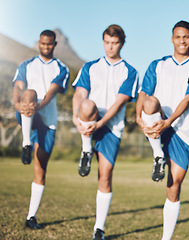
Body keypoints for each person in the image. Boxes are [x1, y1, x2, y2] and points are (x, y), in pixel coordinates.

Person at [72, 24, 138, 240]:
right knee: (89, 104)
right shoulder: (90, 66)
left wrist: (100, 124)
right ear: (103, 42)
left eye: (115, 43)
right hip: (88, 122)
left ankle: (98, 228)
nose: (110, 47)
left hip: (110, 127)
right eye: (107, 42)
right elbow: (79, 95)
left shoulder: (130, 71)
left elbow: (119, 103)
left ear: (122, 43)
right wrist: (76, 118)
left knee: (105, 175)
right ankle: (85, 151)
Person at [136, 20, 189, 240]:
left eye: (186, 36)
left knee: (174, 184)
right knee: (150, 102)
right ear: (172, 39)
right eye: (178, 36)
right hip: (157, 122)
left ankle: (166, 238)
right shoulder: (158, 64)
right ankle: (158, 155)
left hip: (182, 128)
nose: (182, 41)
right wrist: (137, 118)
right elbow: (143, 94)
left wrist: (169, 121)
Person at [12, 30, 70, 229]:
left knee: (40, 169)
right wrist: (17, 105)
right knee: (29, 93)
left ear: (55, 45)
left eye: (50, 44)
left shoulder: (61, 68)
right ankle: (26, 142)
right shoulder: (26, 65)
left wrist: (38, 106)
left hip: (47, 120)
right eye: (43, 44)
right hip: (28, 114)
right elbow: (18, 87)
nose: (46, 47)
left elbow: (51, 93)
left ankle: (31, 217)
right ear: (39, 43)